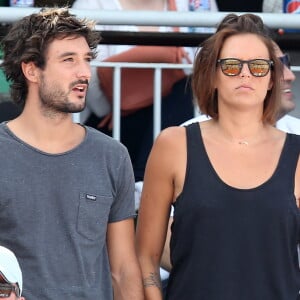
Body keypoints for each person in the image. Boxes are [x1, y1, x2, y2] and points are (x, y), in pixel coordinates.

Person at [136, 13, 300, 299]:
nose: (246, 74)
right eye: (232, 65)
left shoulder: (298, 153)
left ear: (272, 79)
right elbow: (144, 258)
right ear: (211, 74)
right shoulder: (174, 145)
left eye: (260, 66)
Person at [0, 7, 143, 300]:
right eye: (68, 60)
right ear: (31, 70)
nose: (84, 73)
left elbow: (124, 269)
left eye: (86, 60)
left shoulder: (112, 156)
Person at [72, 0, 197, 182]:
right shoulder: (91, 6)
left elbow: (206, 80)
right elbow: (95, 101)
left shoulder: (192, 4)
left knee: (185, 92)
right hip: (110, 124)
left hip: (175, 119)